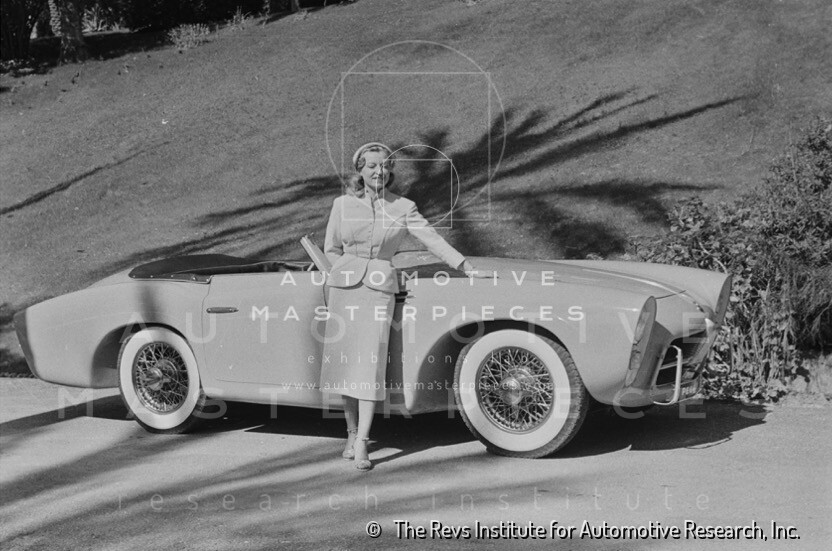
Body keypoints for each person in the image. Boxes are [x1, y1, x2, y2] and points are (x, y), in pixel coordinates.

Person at [320, 142, 476, 471]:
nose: (380, 171)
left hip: (379, 291)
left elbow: (431, 238)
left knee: (368, 367)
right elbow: (330, 248)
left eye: (385, 166)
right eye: (372, 165)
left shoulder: (403, 207)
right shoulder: (341, 204)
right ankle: (351, 434)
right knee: (347, 367)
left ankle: (363, 442)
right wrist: (343, 271)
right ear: (360, 170)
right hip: (344, 291)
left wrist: (464, 265)